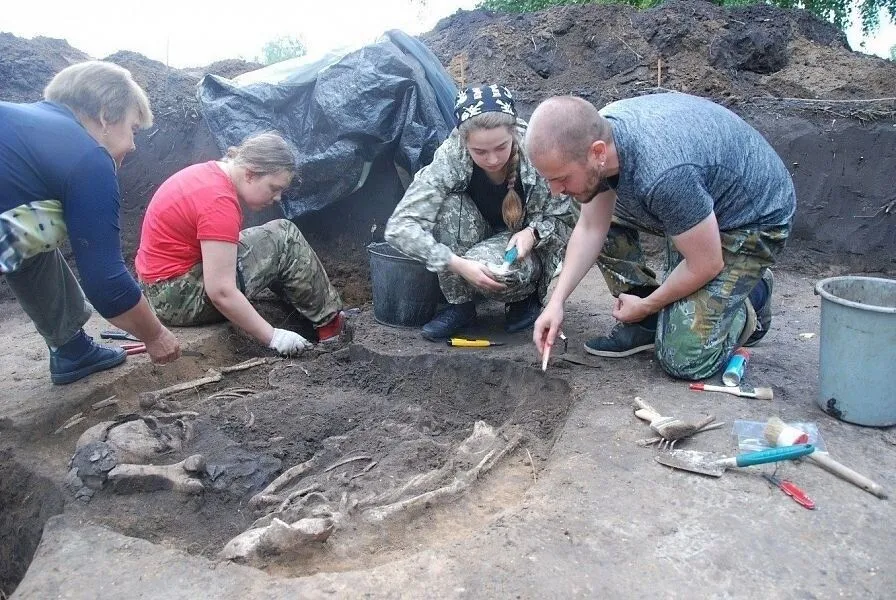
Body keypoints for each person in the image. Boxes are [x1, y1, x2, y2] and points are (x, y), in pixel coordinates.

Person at [526, 92, 795, 381]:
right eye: (549, 179)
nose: (555, 190)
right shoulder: (595, 139)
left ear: (598, 153)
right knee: (601, 211)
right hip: (697, 206)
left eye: (562, 178)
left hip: (753, 221)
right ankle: (649, 322)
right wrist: (556, 302)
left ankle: (753, 294)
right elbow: (592, 227)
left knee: (685, 360)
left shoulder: (662, 174)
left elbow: (706, 263)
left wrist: (648, 304)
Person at [0, 61, 181, 385]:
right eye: (133, 128)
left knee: (33, 237)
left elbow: (18, 236)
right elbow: (107, 284)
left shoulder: (23, 132)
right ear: (105, 116)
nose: (134, 144)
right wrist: (156, 336)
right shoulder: (88, 157)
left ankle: (71, 348)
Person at [385, 84, 575, 341]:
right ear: (465, 142)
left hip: (522, 242)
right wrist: (456, 264)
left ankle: (526, 297)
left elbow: (566, 215)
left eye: (501, 147)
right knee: (445, 205)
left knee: (495, 270)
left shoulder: (537, 149)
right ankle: (460, 306)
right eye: (480, 152)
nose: (493, 160)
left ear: (514, 133)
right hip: (475, 236)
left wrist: (533, 233)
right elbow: (400, 227)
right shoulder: (452, 155)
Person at [135, 132, 345, 356]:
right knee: (285, 237)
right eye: (274, 188)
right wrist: (274, 336)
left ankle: (304, 308)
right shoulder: (219, 201)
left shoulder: (211, 175)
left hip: (161, 289)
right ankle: (330, 326)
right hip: (179, 298)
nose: (277, 198)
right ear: (250, 174)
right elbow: (221, 291)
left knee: (272, 238)